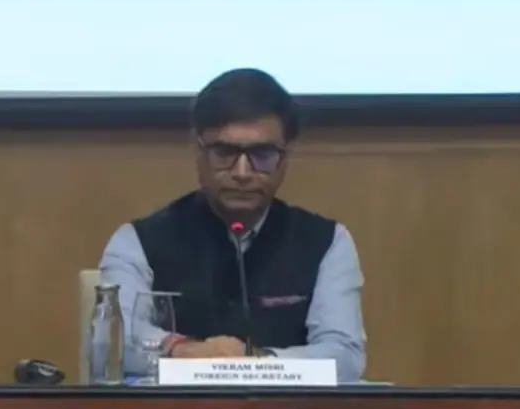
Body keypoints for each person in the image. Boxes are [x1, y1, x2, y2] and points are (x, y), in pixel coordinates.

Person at [98, 68, 367, 381]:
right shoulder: (137, 242)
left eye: (262, 154)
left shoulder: (328, 243)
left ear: (286, 155)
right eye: (225, 153)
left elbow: (345, 356)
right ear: (199, 150)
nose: (242, 172)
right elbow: (111, 343)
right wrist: (182, 350)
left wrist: (254, 361)